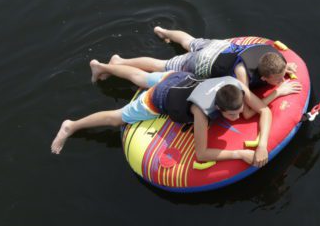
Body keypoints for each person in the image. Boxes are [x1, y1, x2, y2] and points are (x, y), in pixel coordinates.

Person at [51, 68, 273, 167]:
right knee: (117, 117)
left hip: (180, 78)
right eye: (232, 114)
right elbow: (202, 154)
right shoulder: (201, 111)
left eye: (238, 111)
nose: (238, 116)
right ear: (219, 108)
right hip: (159, 97)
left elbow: (264, 110)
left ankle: (103, 66)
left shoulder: (235, 87)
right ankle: (71, 126)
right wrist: (240, 153)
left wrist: (262, 145)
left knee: (142, 77)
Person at [93, 26, 302, 114]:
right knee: (161, 65)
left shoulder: (272, 56)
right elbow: (249, 107)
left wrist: (284, 70)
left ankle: (162, 31)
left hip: (219, 47)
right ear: (264, 77)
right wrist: (277, 92)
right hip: (203, 62)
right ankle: (117, 62)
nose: (281, 80)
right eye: (277, 79)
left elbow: (278, 65)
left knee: (190, 41)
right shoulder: (242, 74)